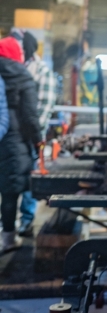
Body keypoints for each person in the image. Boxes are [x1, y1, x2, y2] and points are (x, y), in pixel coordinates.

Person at [0, 36, 41, 251]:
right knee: (10, 192)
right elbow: (30, 116)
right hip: (15, 140)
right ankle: (8, 238)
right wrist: (38, 140)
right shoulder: (22, 75)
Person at [15, 30, 56, 236]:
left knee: (29, 178)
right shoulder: (16, 67)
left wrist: (33, 135)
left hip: (30, 135)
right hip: (14, 135)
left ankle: (27, 220)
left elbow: (44, 109)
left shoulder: (41, 71)